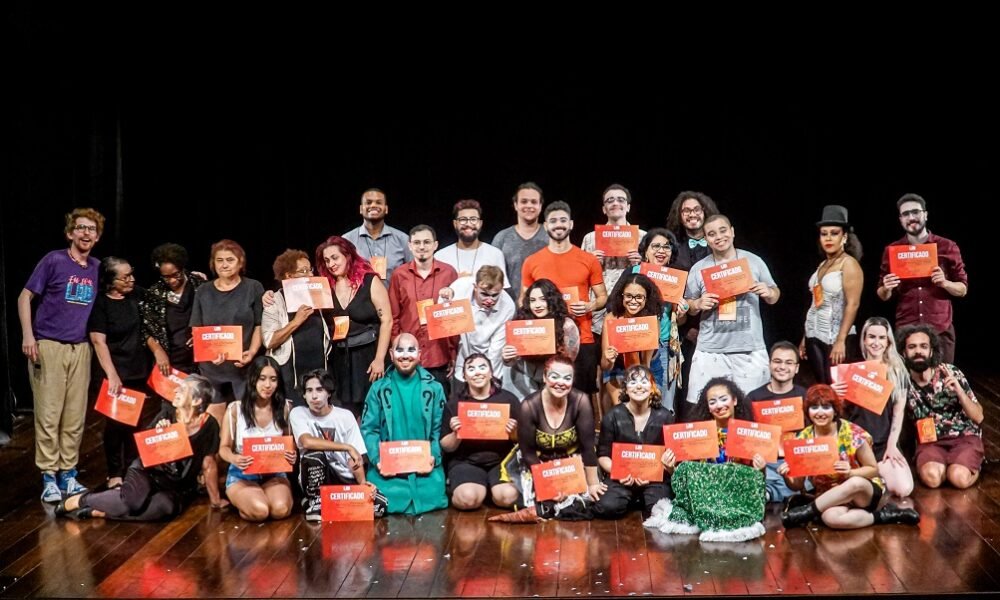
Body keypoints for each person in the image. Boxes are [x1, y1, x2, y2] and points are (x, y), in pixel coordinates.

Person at [19, 207, 105, 502]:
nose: (85, 233)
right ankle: (49, 476)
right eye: (80, 228)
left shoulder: (95, 266)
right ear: (70, 233)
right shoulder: (54, 260)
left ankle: (69, 473)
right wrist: (29, 335)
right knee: (49, 413)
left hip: (79, 347)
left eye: (91, 229)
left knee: (75, 415)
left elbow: (124, 288)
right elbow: (25, 296)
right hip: (49, 345)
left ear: (97, 236)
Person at [55, 374, 224, 520]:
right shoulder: (167, 414)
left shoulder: (209, 425)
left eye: (183, 390)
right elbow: (144, 449)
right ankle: (81, 500)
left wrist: (215, 500)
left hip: (173, 484)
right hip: (147, 471)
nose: (176, 392)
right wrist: (159, 432)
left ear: (197, 400)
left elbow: (208, 463)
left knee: (167, 507)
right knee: (132, 502)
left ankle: (102, 513)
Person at [779, 385, 919, 529]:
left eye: (826, 407)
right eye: (814, 407)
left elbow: (873, 469)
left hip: (862, 491)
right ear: (808, 411)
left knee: (854, 483)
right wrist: (786, 475)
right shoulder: (802, 439)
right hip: (830, 495)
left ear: (835, 411)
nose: (820, 413)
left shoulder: (852, 432)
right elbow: (798, 485)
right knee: (831, 519)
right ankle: (886, 516)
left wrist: (850, 473)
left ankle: (806, 512)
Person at [646, 377, 767, 542]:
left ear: (735, 400)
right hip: (704, 494)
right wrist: (671, 468)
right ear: (708, 407)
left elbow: (755, 477)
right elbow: (686, 476)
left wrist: (760, 467)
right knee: (688, 467)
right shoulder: (697, 433)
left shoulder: (747, 432)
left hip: (734, 494)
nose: (719, 405)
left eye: (724, 399)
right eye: (713, 401)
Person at [684, 214, 780, 405]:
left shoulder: (754, 261)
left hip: (749, 350)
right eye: (711, 234)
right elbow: (689, 306)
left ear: (732, 232)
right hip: (710, 352)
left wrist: (768, 292)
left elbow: (775, 295)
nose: (719, 237)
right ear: (706, 239)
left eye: (723, 231)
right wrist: (697, 304)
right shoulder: (699, 268)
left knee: (751, 409)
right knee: (703, 408)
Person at [521, 201, 607, 413]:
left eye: (562, 220)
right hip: (545, 342)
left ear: (571, 224)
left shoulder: (588, 259)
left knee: (582, 401)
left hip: (583, 339)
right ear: (545, 226)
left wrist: (589, 305)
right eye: (553, 221)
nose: (558, 225)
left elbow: (603, 297)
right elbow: (524, 301)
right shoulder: (532, 261)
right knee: (547, 400)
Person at [361, 333, 448, 515]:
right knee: (380, 496)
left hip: (425, 472)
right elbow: (369, 429)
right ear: (391, 355)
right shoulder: (378, 388)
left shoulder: (435, 388)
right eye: (400, 350)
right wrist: (377, 460)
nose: (405, 355)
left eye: (411, 350)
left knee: (433, 492)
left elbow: (439, 430)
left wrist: (434, 455)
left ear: (419, 354)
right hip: (388, 473)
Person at [877, 193, 968, 363]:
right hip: (906, 330)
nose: (911, 218)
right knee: (908, 384)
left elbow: (962, 290)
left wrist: (945, 283)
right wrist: (886, 287)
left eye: (915, 212)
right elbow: (882, 295)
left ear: (925, 214)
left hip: (940, 329)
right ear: (900, 219)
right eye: (905, 214)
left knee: (943, 383)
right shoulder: (892, 250)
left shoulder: (947, 246)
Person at [509, 355, 603, 516]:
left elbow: (588, 447)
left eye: (567, 378)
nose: (560, 382)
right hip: (538, 465)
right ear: (544, 378)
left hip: (573, 464)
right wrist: (549, 484)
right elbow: (528, 453)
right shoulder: (529, 405)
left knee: (594, 502)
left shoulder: (581, 401)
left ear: (573, 381)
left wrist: (593, 483)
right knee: (531, 503)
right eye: (554, 376)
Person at [832, 318, 914, 497]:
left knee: (903, 489)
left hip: (883, 442)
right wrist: (834, 396)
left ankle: (875, 477)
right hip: (857, 444)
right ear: (864, 340)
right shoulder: (851, 370)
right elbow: (838, 413)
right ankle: (869, 477)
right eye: (871, 337)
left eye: (881, 338)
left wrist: (892, 445)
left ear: (888, 342)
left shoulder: (897, 371)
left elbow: (898, 413)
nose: (876, 343)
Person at [289, 369, 387, 521]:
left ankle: (335, 503)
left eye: (319, 390)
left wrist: (362, 484)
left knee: (379, 506)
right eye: (309, 391)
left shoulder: (345, 416)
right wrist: (347, 447)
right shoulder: (298, 413)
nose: (314, 396)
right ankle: (315, 500)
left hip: (344, 478)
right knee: (313, 455)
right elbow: (306, 441)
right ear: (303, 395)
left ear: (328, 393)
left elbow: (354, 458)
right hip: (317, 478)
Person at [899, 324, 983, 489]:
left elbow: (979, 416)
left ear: (931, 351)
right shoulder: (903, 381)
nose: (918, 352)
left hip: (963, 437)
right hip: (930, 441)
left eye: (924, 346)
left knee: (958, 478)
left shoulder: (949, 372)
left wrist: (959, 391)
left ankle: (971, 466)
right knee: (932, 479)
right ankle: (947, 466)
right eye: (912, 347)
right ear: (904, 352)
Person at [189, 239, 264, 425]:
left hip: (243, 367)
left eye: (230, 260)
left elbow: (259, 325)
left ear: (240, 262)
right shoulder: (203, 291)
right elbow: (197, 328)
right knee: (216, 425)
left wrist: (252, 352)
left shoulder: (253, 287)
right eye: (219, 260)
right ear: (212, 263)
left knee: (246, 422)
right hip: (212, 368)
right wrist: (209, 351)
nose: (224, 265)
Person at [89, 257, 149, 489]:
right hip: (113, 372)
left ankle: (132, 469)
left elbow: (161, 295)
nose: (131, 279)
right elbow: (98, 341)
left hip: (137, 370)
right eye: (125, 277)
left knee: (134, 423)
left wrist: (194, 278)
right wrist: (112, 375)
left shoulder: (136, 295)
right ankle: (115, 472)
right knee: (115, 425)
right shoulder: (101, 304)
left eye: (131, 273)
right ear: (110, 281)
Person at [317, 235, 393, 417]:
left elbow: (387, 321)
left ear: (348, 256)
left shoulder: (369, 281)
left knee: (374, 410)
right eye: (326, 260)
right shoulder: (326, 286)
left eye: (335, 258)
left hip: (369, 356)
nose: (331, 264)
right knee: (347, 411)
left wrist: (380, 359)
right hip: (341, 357)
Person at [219, 357, 296, 522]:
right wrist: (234, 458)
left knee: (280, 510)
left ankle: (258, 498)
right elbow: (223, 448)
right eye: (262, 378)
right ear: (253, 379)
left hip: (274, 474)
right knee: (261, 511)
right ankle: (247, 501)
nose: (268, 385)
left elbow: (290, 444)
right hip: (242, 475)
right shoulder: (235, 410)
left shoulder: (285, 408)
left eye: (273, 379)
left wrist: (292, 454)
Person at [592, 365, 674, 520]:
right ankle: (631, 499)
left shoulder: (665, 417)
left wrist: (666, 466)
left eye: (644, 381)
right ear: (626, 389)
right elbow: (602, 455)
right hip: (621, 478)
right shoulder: (612, 416)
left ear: (652, 388)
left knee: (661, 510)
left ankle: (641, 499)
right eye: (633, 382)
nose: (638, 386)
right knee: (606, 507)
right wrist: (618, 471)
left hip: (654, 479)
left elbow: (671, 458)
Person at [440, 354, 520, 510]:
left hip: (501, 462)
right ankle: (479, 489)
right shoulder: (455, 403)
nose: (477, 372)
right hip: (466, 462)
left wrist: (514, 433)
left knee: (508, 497)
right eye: (471, 369)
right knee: (468, 500)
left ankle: (490, 490)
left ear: (491, 372)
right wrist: (457, 434)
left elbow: (523, 441)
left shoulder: (508, 400)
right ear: (464, 376)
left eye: (482, 367)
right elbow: (446, 446)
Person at [665, 191, 720, 415]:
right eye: (686, 210)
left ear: (705, 212)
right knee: (686, 387)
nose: (692, 214)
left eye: (696, 209)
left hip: (717, 329)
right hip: (683, 329)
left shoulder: (719, 246)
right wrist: (686, 329)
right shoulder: (672, 249)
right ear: (679, 216)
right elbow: (668, 291)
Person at [388, 225, 458, 392]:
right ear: (410, 246)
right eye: (417, 242)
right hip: (408, 357)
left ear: (435, 245)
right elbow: (394, 316)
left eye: (427, 242)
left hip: (439, 355)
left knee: (438, 412)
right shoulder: (399, 275)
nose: (421, 247)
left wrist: (454, 353)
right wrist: (397, 351)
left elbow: (455, 319)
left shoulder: (449, 273)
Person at [801, 205, 863, 384]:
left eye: (834, 233)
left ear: (844, 237)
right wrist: (805, 337)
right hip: (814, 335)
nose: (828, 238)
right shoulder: (822, 265)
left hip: (835, 337)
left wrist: (841, 340)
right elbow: (815, 304)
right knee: (821, 387)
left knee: (837, 388)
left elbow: (853, 304)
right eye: (824, 233)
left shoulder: (849, 264)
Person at [261, 249, 331, 403]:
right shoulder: (274, 301)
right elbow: (269, 341)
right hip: (290, 376)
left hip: (318, 371)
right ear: (289, 276)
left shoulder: (317, 296)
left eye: (310, 270)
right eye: (303, 271)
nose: (310, 275)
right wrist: (296, 321)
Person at [581, 184, 646, 342]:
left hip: (632, 308)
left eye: (620, 200)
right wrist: (591, 263)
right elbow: (580, 276)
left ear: (628, 207)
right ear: (604, 208)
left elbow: (654, 276)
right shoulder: (590, 238)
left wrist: (641, 263)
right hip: (598, 313)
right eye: (610, 200)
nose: (615, 203)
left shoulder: (643, 237)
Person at [632, 228, 687, 413]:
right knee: (637, 402)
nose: (661, 250)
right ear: (645, 251)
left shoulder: (675, 279)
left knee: (664, 406)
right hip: (634, 345)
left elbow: (680, 321)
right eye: (655, 246)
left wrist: (680, 311)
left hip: (663, 346)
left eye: (666, 246)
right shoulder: (634, 273)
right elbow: (614, 306)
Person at [746, 341, 808, 503]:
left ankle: (769, 493)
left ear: (797, 368)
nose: (782, 367)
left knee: (808, 478)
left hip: (795, 462)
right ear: (769, 364)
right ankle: (783, 493)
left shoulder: (805, 396)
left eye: (789, 363)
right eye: (777, 361)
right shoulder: (753, 398)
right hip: (765, 462)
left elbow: (813, 435)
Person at [501, 279, 580, 400]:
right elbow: (511, 361)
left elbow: (568, 361)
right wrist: (507, 358)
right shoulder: (520, 322)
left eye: (543, 299)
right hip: (525, 376)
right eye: (533, 300)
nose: (537, 305)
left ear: (552, 300)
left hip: (554, 375)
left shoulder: (566, 325)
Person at [141, 243, 207, 383]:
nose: (171, 280)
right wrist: (158, 351)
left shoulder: (199, 285)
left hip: (201, 362)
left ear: (182, 268)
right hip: (171, 363)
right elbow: (145, 329)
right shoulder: (155, 293)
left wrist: (201, 335)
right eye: (166, 277)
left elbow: (214, 316)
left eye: (175, 275)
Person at [600, 273, 663, 415]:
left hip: (648, 368)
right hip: (617, 368)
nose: (633, 301)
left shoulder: (652, 321)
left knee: (646, 410)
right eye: (628, 296)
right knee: (623, 412)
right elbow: (605, 366)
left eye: (639, 297)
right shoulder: (611, 318)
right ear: (621, 296)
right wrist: (609, 358)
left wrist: (639, 390)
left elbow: (645, 366)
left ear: (647, 298)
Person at [434, 199, 509, 300]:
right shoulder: (440, 256)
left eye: (473, 219)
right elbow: (434, 292)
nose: (468, 224)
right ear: (455, 223)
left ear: (480, 223)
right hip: (452, 313)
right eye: (463, 219)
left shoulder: (495, 254)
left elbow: (502, 292)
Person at [455, 266, 516, 386]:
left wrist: (488, 379)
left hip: (489, 359)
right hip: (461, 357)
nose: (489, 300)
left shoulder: (508, 306)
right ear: (475, 287)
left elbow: (496, 348)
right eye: (484, 294)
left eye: (494, 295)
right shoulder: (459, 288)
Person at [492, 182, 548, 301]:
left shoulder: (550, 236)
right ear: (515, 205)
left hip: (545, 309)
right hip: (509, 309)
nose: (529, 205)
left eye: (534, 202)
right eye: (524, 201)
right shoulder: (502, 238)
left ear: (541, 206)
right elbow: (492, 277)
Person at [342, 188, 412, 281]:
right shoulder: (346, 241)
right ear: (361, 209)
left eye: (378, 202)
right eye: (368, 202)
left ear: (386, 209)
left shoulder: (403, 239)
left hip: (394, 295)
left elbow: (414, 273)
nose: (373, 205)